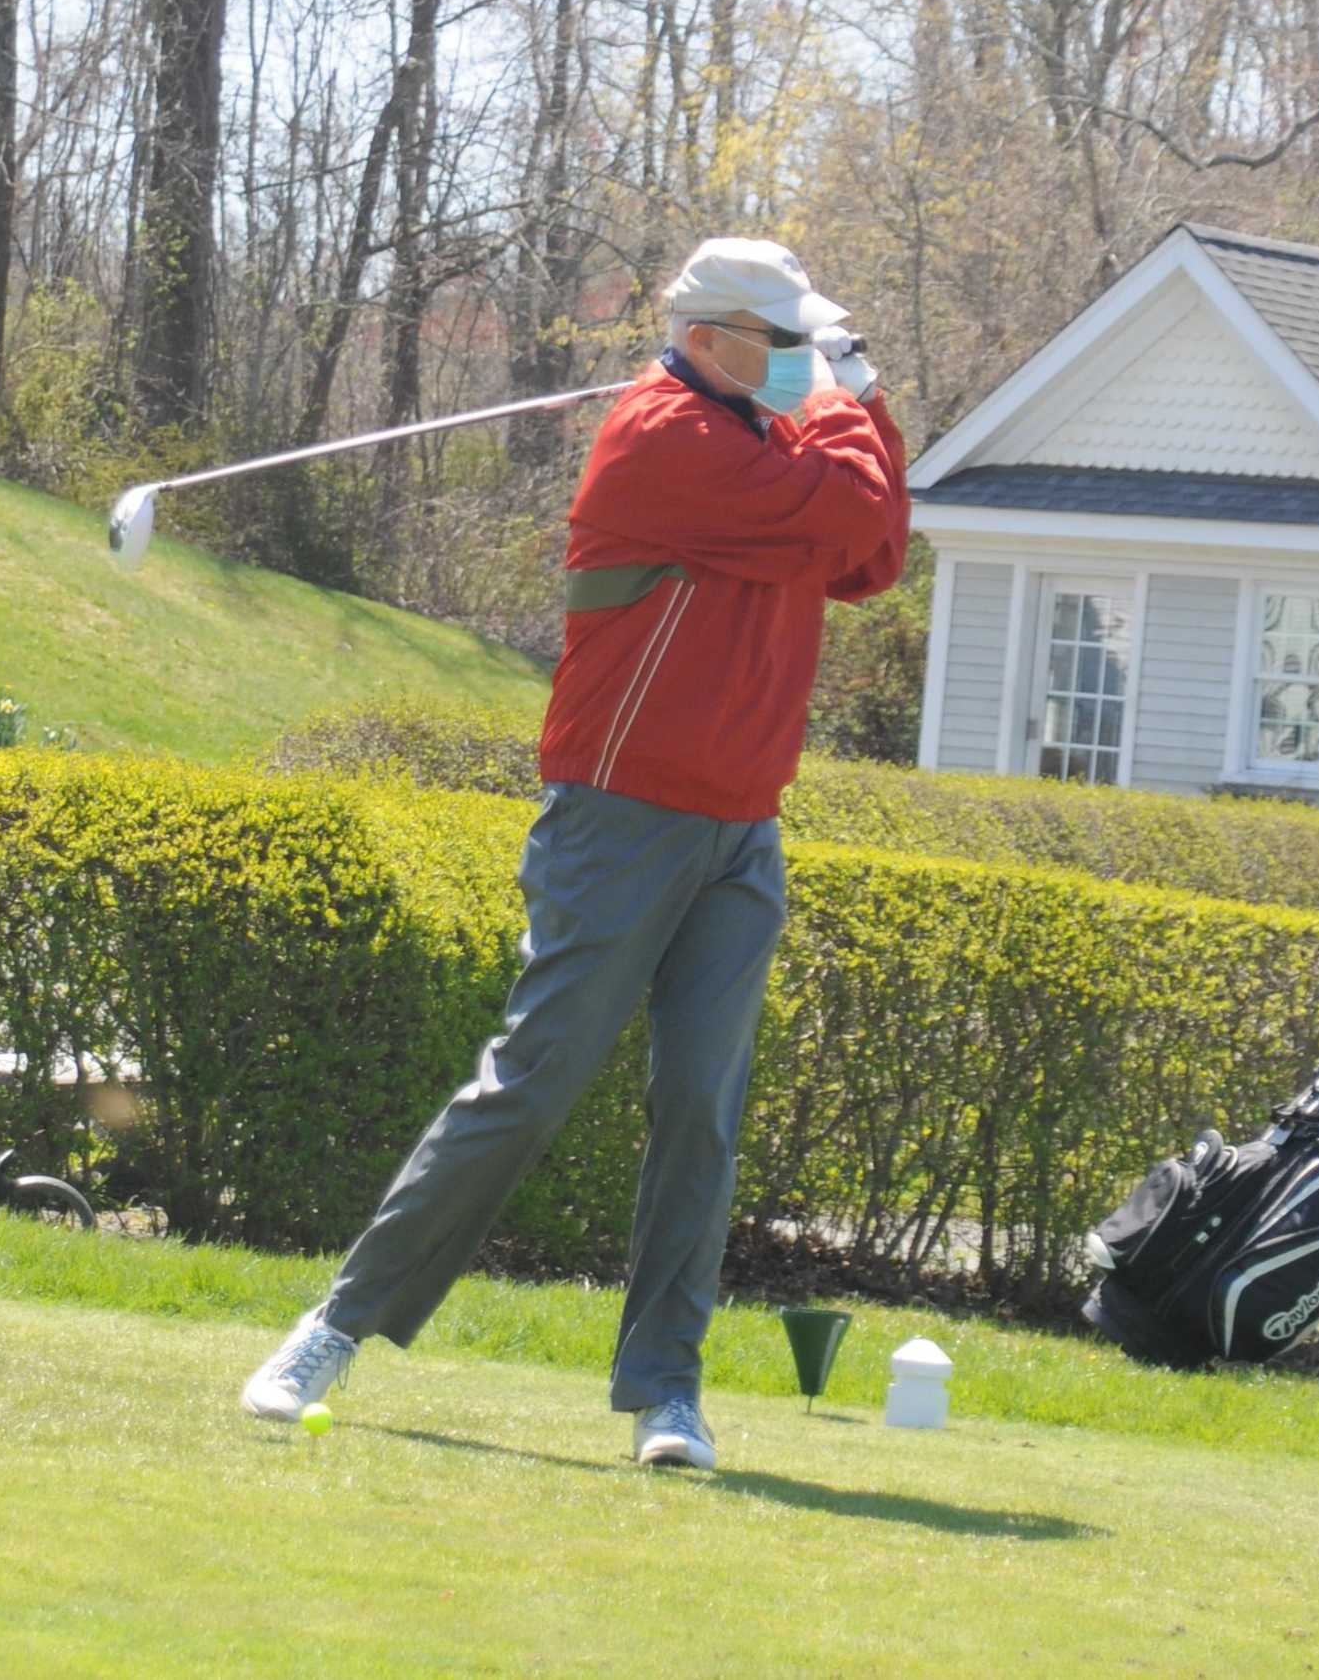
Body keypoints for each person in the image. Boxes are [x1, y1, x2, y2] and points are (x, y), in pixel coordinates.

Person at [240, 238, 909, 1470]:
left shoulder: (761, 440)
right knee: (533, 1079)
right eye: (783, 341)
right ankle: (332, 1328)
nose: (801, 361)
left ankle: (667, 1392)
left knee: (699, 1115)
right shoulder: (669, 443)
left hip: (739, 830)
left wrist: (844, 404)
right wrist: (854, 400)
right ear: (707, 341)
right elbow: (852, 512)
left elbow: (870, 560)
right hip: (618, 815)